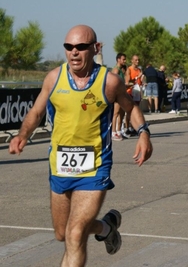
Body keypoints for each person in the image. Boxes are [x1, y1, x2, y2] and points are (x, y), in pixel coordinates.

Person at [8, 25, 153, 266]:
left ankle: (101, 228)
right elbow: (36, 111)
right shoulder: (54, 78)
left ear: (94, 49)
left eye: (81, 47)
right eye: (69, 47)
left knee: (75, 234)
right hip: (60, 166)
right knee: (62, 234)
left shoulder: (109, 81)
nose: (74, 52)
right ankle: (106, 228)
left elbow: (131, 108)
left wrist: (144, 133)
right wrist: (23, 134)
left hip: (95, 167)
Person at [124, 54, 143, 137]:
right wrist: (136, 78)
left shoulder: (139, 70)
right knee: (129, 111)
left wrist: (141, 80)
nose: (137, 61)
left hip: (137, 92)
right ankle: (127, 128)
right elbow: (127, 82)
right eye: (136, 60)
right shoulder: (129, 69)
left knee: (136, 111)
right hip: (130, 92)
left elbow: (140, 82)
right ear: (132, 61)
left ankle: (133, 128)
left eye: (138, 60)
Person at [111, 52, 127, 141]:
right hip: (117, 96)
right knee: (116, 114)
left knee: (122, 113)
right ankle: (113, 133)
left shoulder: (121, 70)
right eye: (123, 59)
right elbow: (114, 84)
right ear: (118, 60)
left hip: (122, 95)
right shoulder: (116, 70)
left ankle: (119, 131)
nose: (125, 61)